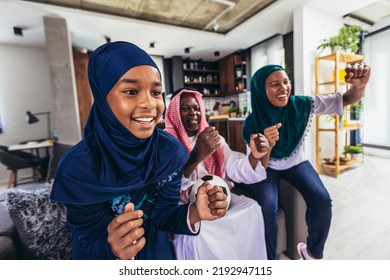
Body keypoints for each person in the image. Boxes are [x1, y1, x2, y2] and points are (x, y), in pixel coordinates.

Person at [50, 41, 229, 260]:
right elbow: (87, 238)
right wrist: (112, 249)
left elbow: (163, 216)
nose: (149, 104)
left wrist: (195, 212)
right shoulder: (77, 169)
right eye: (131, 91)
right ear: (103, 97)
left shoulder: (170, 153)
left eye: (156, 92)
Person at [242, 63, 371, 260]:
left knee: (322, 200)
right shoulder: (252, 123)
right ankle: (268, 262)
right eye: (274, 84)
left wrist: (359, 86)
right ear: (261, 90)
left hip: (295, 162)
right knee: (267, 209)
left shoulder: (301, 104)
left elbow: (345, 100)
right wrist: (267, 146)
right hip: (266, 168)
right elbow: (258, 167)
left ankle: (312, 254)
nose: (283, 88)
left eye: (286, 82)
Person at [165, 88, 270, 259]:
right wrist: (196, 156)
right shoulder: (167, 143)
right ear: (175, 112)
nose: (193, 112)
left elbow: (234, 168)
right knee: (200, 232)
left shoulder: (214, 139)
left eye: (196, 107)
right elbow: (167, 186)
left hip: (219, 196)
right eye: (185, 108)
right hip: (185, 205)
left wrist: (254, 156)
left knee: (252, 208)